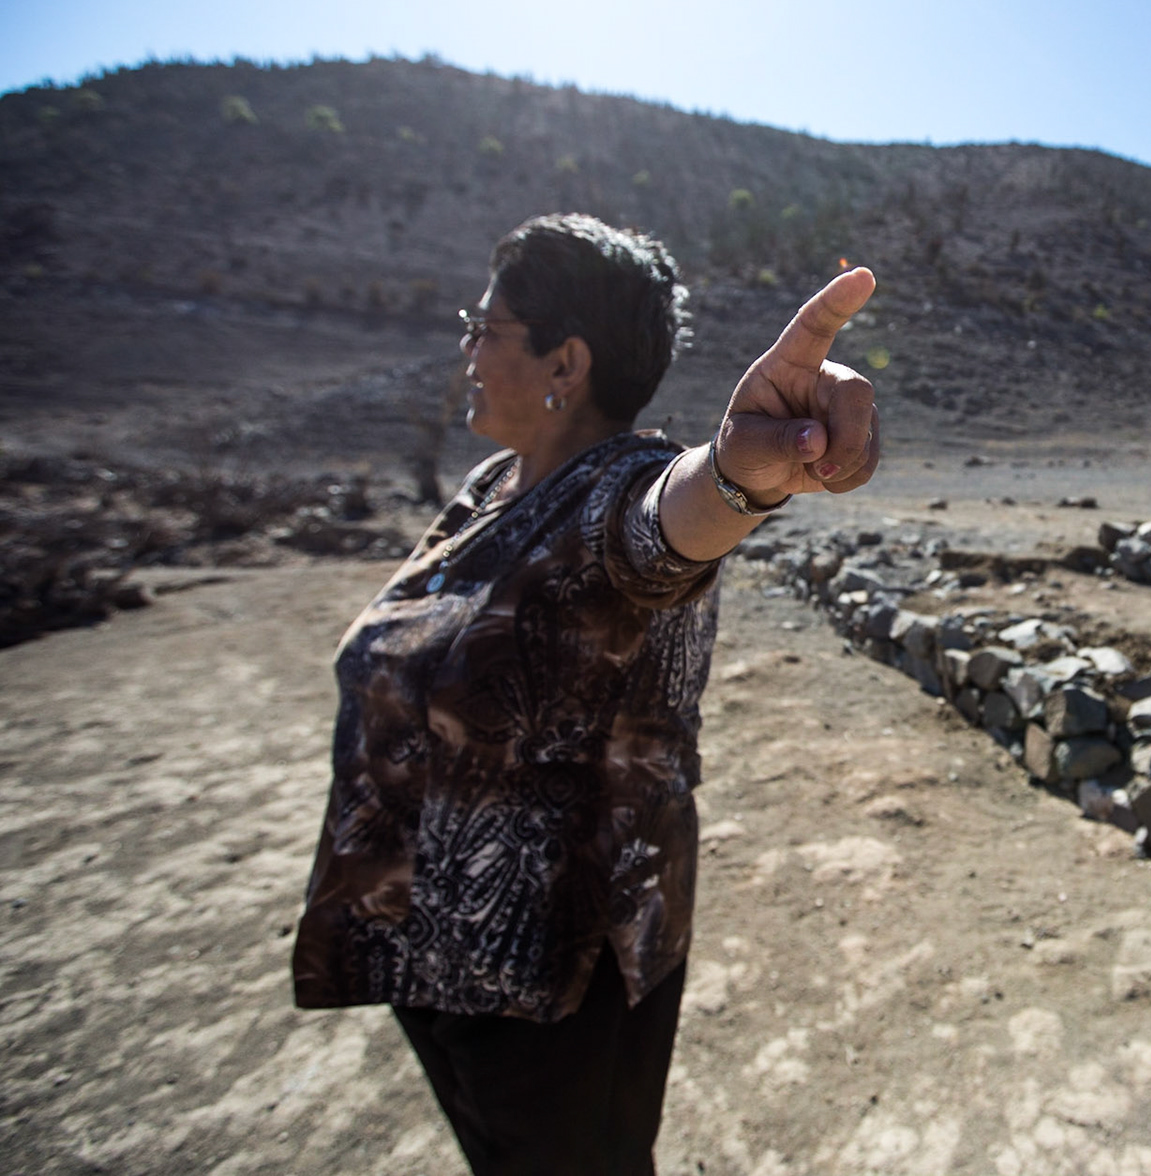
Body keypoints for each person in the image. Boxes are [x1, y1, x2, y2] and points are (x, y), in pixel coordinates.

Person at [290, 213, 879, 1174]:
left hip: (553, 986)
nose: (469, 350)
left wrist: (739, 476)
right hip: (428, 954)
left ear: (566, 360)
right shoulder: (492, 486)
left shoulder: (622, 487)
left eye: (486, 329)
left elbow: (665, 528)